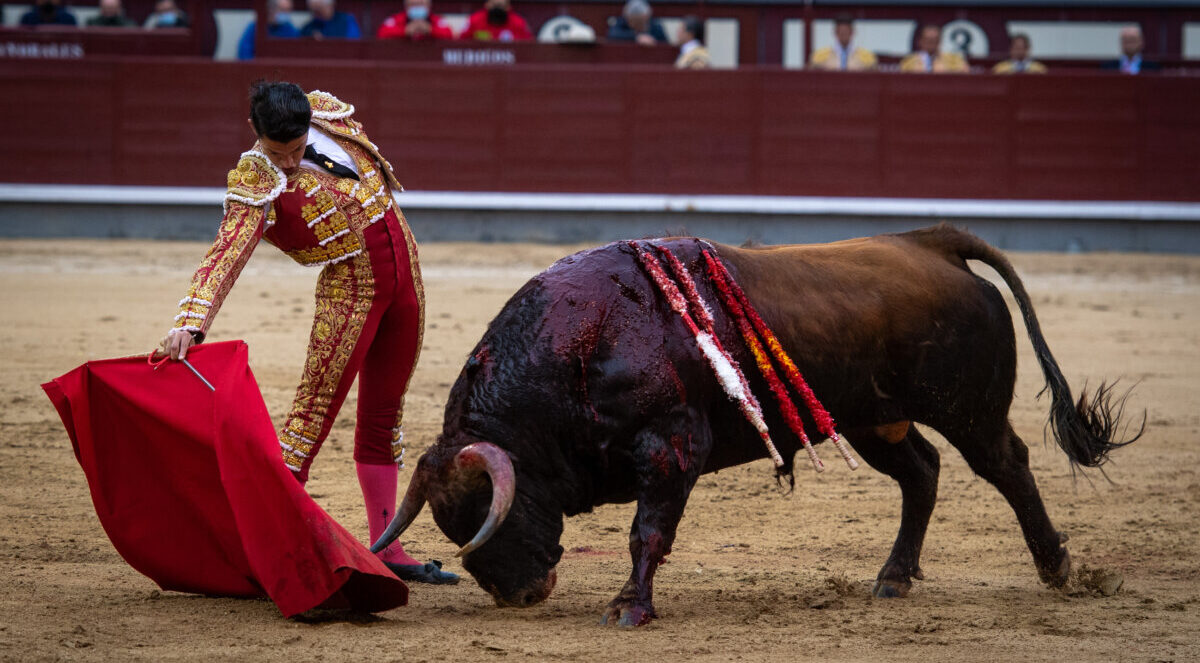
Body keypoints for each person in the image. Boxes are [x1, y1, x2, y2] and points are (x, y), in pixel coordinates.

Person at [163, 81, 457, 585]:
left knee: (385, 416)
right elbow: (227, 251)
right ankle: (267, 554)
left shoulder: (327, 115)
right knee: (307, 423)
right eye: (279, 153)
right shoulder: (255, 179)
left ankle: (388, 548)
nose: (290, 162)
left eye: (297, 149)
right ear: (254, 131)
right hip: (350, 295)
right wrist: (192, 320)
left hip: (406, 279)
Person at [809, 14, 877, 71]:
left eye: (846, 31)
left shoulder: (867, 57)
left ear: (852, 32)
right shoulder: (819, 56)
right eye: (840, 31)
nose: (843, 34)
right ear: (835, 32)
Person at [899, 24, 967, 73]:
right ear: (920, 41)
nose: (931, 44)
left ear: (940, 41)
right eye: (928, 40)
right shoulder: (909, 61)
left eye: (935, 40)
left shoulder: (954, 59)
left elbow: (965, 76)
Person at [376, 0, 454, 40]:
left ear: (428, 6)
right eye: (413, 4)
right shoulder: (397, 20)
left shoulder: (436, 20)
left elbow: (450, 35)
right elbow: (382, 33)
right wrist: (405, 31)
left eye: (421, 4)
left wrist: (430, 30)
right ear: (406, 6)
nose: (417, 7)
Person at [461, 0, 531, 41]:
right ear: (486, 5)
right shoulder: (474, 20)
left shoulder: (519, 23)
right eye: (494, 5)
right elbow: (461, 41)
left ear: (508, 7)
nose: (497, 9)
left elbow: (529, 46)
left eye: (501, 6)